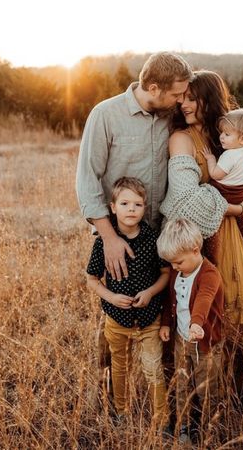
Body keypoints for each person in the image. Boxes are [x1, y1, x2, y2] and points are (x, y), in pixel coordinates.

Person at [160, 71, 243, 399]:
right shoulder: (182, 139)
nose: (184, 104)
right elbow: (186, 199)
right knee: (202, 314)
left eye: (192, 98)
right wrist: (233, 208)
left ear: (209, 100)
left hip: (232, 239)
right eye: (183, 98)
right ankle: (198, 401)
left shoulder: (231, 136)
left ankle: (241, 395)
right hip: (199, 242)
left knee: (237, 316)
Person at [76, 51, 194, 281]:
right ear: (153, 88)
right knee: (123, 309)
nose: (180, 100)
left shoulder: (171, 114)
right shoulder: (105, 115)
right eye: (175, 94)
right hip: (122, 237)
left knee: (165, 311)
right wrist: (110, 239)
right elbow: (87, 180)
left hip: (166, 234)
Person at [85, 177, 170, 425]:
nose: (131, 209)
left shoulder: (152, 239)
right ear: (113, 207)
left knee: (153, 368)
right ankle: (121, 413)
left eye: (137, 204)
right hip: (117, 318)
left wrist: (150, 293)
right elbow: (92, 279)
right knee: (120, 367)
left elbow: (165, 274)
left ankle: (162, 420)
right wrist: (112, 297)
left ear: (145, 208)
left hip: (149, 318)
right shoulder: (104, 242)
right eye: (124, 203)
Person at [157, 218, 224, 444]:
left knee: (207, 387)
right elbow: (170, 299)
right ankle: (184, 426)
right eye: (172, 263)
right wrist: (166, 322)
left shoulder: (209, 274)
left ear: (195, 250)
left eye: (178, 262)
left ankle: (209, 429)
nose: (174, 267)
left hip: (206, 343)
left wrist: (197, 323)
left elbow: (204, 299)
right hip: (181, 339)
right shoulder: (177, 273)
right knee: (182, 382)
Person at [201, 108, 243, 263]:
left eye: (227, 134)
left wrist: (210, 160)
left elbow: (216, 174)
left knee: (214, 224)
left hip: (224, 193)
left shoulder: (228, 156)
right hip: (242, 193)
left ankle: (211, 253)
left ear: (242, 139)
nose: (221, 137)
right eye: (222, 132)